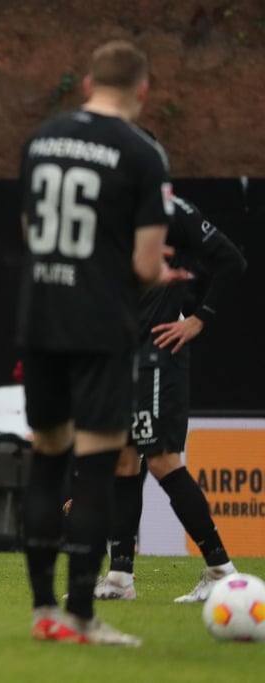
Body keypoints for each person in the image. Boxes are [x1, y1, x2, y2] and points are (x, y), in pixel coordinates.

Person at [17, 40, 185, 646]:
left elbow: (31, 228)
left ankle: (43, 610)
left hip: (40, 315)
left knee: (47, 457)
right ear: (142, 91)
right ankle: (82, 614)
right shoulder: (143, 154)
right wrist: (161, 271)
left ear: (87, 85)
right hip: (98, 322)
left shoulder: (42, 139)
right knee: (95, 468)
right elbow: (144, 263)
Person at [94, 194, 246, 602]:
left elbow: (232, 259)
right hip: (125, 357)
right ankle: (120, 577)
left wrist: (199, 319)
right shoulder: (110, 210)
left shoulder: (172, 210)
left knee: (161, 461)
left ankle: (221, 570)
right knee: (125, 460)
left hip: (157, 358)